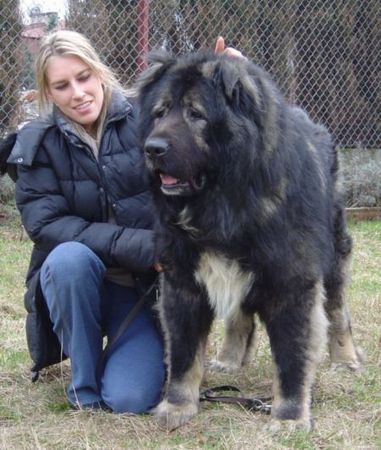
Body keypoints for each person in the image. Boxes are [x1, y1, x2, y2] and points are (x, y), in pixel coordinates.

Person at [5, 30, 243, 413]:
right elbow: (46, 226)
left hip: (139, 292)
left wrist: (225, 82)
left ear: (99, 73)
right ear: (48, 92)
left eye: (83, 77)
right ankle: (83, 387)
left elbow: (215, 153)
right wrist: (147, 247)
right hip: (76, 285)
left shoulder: (150, 118)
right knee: (69, 259)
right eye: (62, 85)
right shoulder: (37, 142)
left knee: (130, 399)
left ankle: (123, 362)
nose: (78, 93)